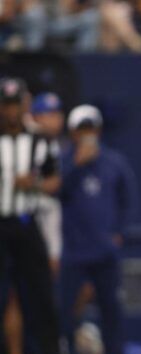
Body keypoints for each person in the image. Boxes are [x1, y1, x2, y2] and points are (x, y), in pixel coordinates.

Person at [59, 104, 137, 354]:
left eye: (91, 128)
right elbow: (55, 190)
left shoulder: (114, 162)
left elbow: (127, 200)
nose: (87, 134)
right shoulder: (64, 160)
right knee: (66, 315)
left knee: (112, 315)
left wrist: (119, 233)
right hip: (73, 251)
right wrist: (76, 164)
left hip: (105, 252)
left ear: (99, 130)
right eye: (82, 129)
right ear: (72, 132)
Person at [0, 77, 66, 354]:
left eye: (16, 105)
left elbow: (54, 181)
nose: (12, 112)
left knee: (41, 296)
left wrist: (35, 183)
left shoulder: (39, 140)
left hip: (27, 223)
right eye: (7, 105)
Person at [30, 92, 65, 275]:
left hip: (47, 213)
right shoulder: (26, 140)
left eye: (57, 114)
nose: (56, 119)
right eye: (49, 114)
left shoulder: (55, 144)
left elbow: (55, 183)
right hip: (25, 215)